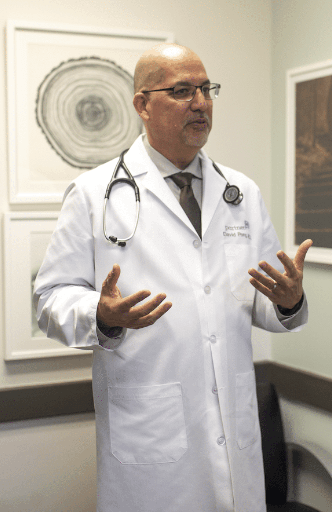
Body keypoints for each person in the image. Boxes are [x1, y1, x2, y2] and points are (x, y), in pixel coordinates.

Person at [34, 43, 312, 512]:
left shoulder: (240, 193)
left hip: (235, 431)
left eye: (206, 89)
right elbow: (49, 300)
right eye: (182, 90)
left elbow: (257, 298)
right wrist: (100, 314)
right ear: (142, 104)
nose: (201, 102)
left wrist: (287, 299)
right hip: (150, 440)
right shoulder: (93, 193)